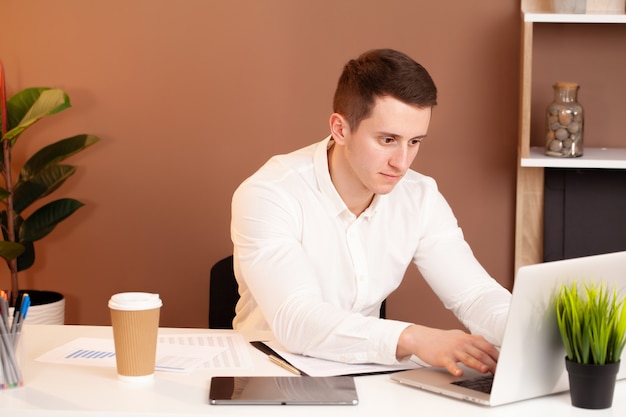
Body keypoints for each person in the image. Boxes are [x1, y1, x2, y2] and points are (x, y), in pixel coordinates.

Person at [230, 48, 511, 377]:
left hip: (365, 377)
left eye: (415, 141)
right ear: (340, 129)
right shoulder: (270, 193)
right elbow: (297, 319)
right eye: (388, 139)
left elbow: (475, 294)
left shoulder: (420, 197)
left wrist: (534, 333)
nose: (402, 163)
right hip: (266, 376)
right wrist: (412, 337)